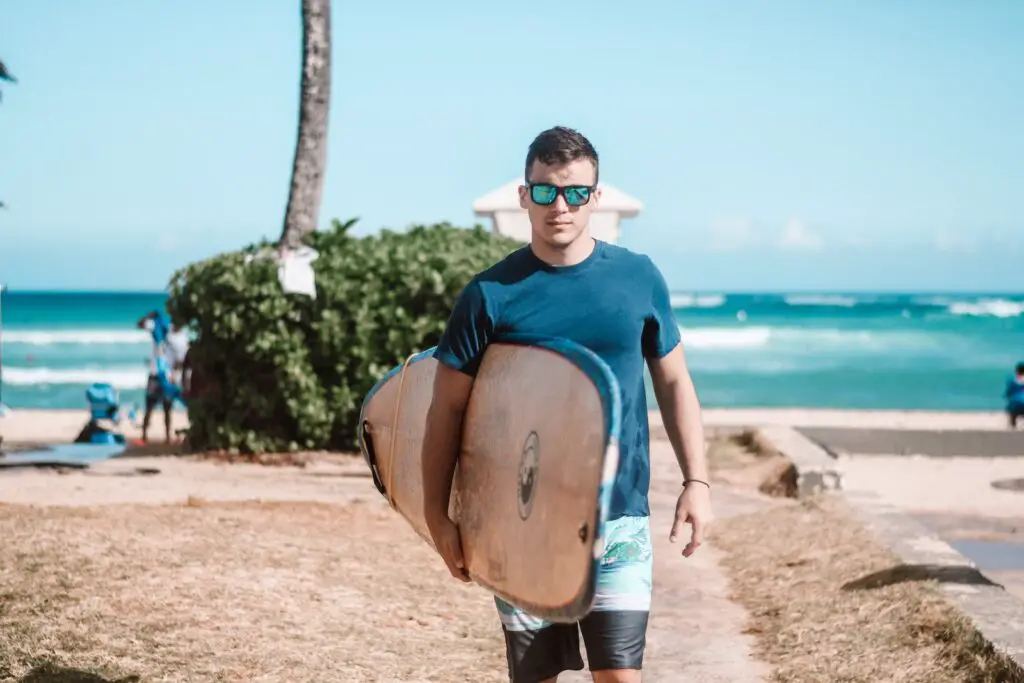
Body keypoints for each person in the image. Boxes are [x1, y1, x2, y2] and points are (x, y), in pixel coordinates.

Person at [421, 126, 712, 683]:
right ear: (524, 195)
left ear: (595, 198)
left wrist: (696, 482)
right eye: (547, 190)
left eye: (576, 192)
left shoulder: (638, 278)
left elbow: (675, 384)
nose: (561, 205)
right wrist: (441, 516)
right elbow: (446, 412)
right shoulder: (489, 295)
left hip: (619, 515)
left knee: (621, 677)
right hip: (521, 519)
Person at [137, 309, 190, 443]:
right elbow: (140, 324)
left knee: (167, 408)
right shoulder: (163, 329)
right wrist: (151, 315)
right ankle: (144, 435)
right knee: (149, 406)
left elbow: (182, 361)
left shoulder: (183, 340)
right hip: (155, 374)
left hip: (169, 378)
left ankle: (167, 437)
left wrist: (175, 374)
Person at [1006, 362, 1024, 429]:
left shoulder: (1013, 381)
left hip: (1016, 405)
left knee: (1012, 405)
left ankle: (1013, 425)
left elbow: (1008, 393)